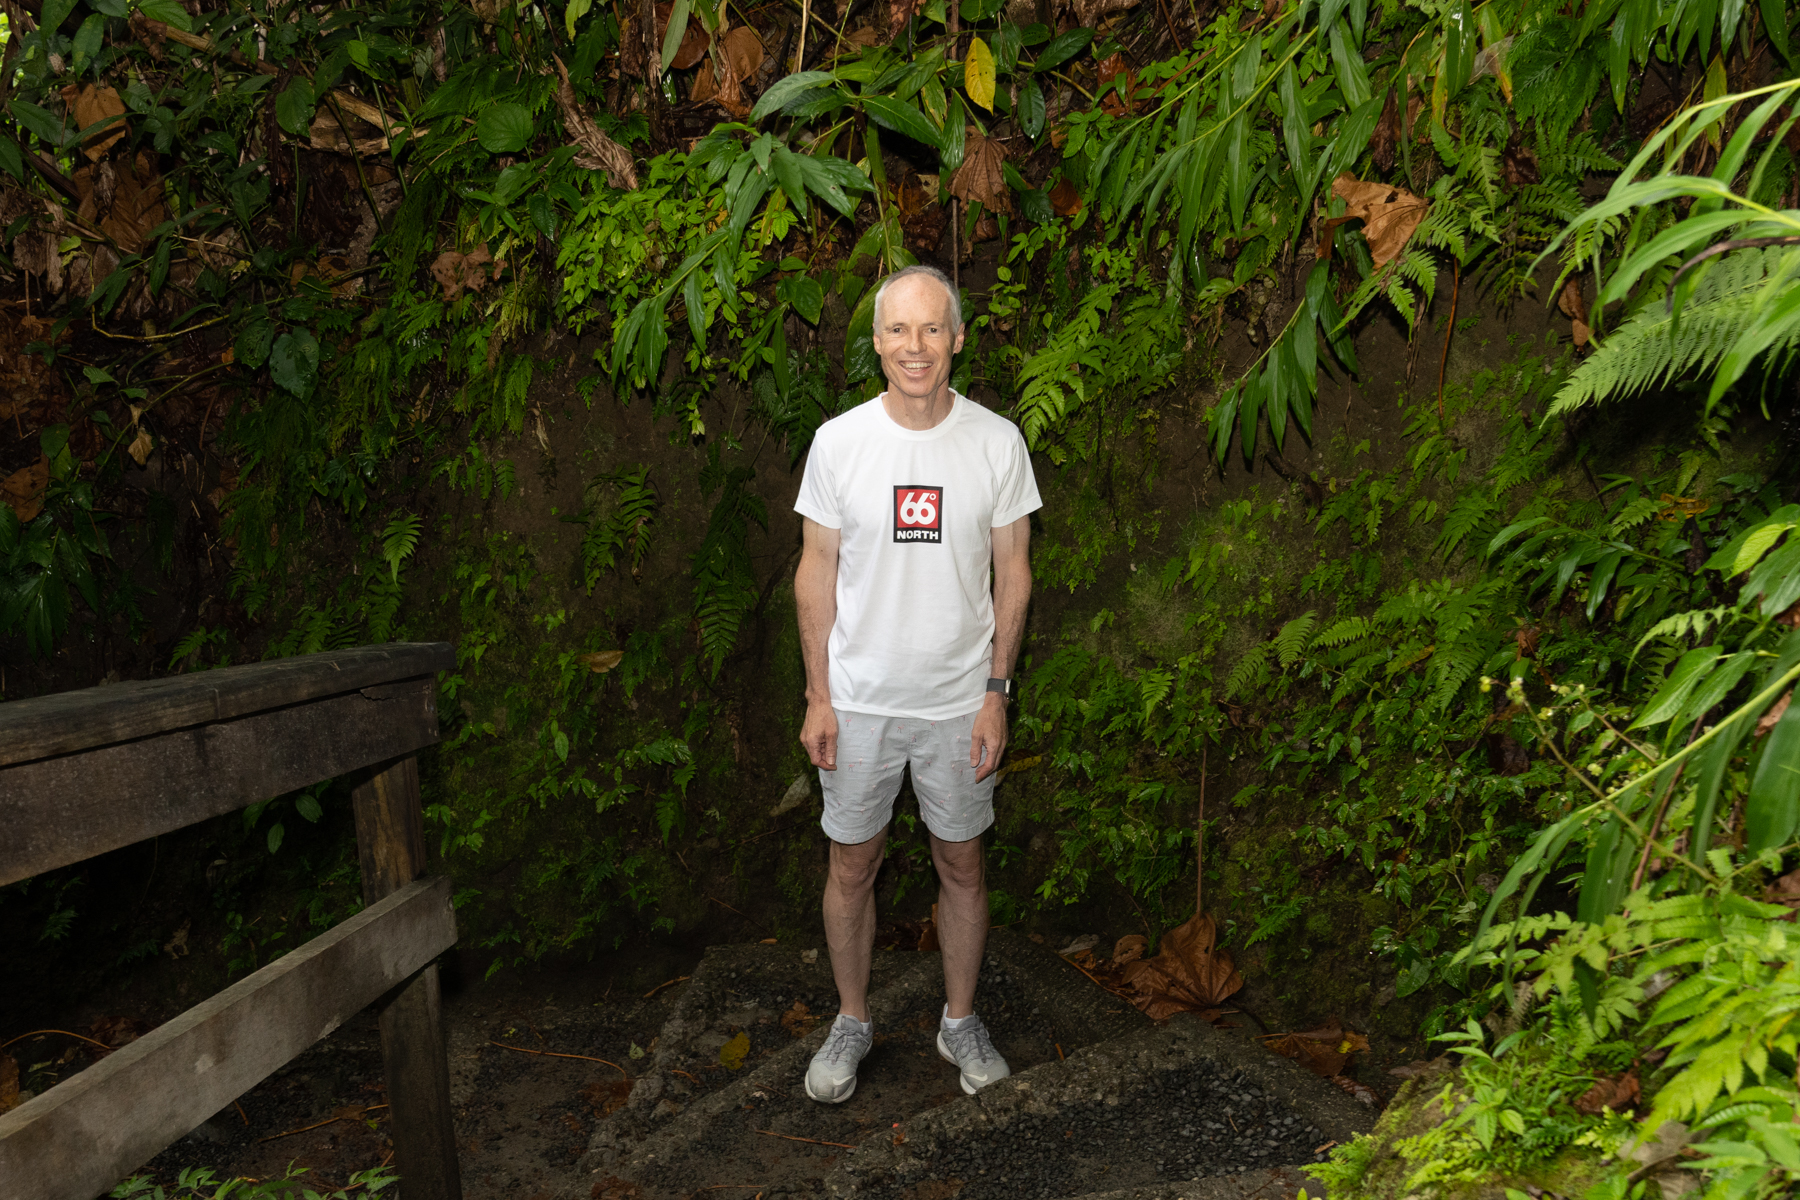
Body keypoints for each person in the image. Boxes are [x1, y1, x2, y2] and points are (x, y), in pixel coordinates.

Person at [791, 263, 1040, 1103]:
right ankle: (853, 1019)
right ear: (875, 342)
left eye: (933, 328)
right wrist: (819, 695)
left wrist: (997, 692)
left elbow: (1015, 573)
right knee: (851, 864)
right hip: (858, 701)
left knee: (961, 862)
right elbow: (814, 571)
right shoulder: (840, 442)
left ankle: (959, 1019)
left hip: (958, 703)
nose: (916, 346)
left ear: (959, 338)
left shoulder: (997, 442)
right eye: (899, 330)